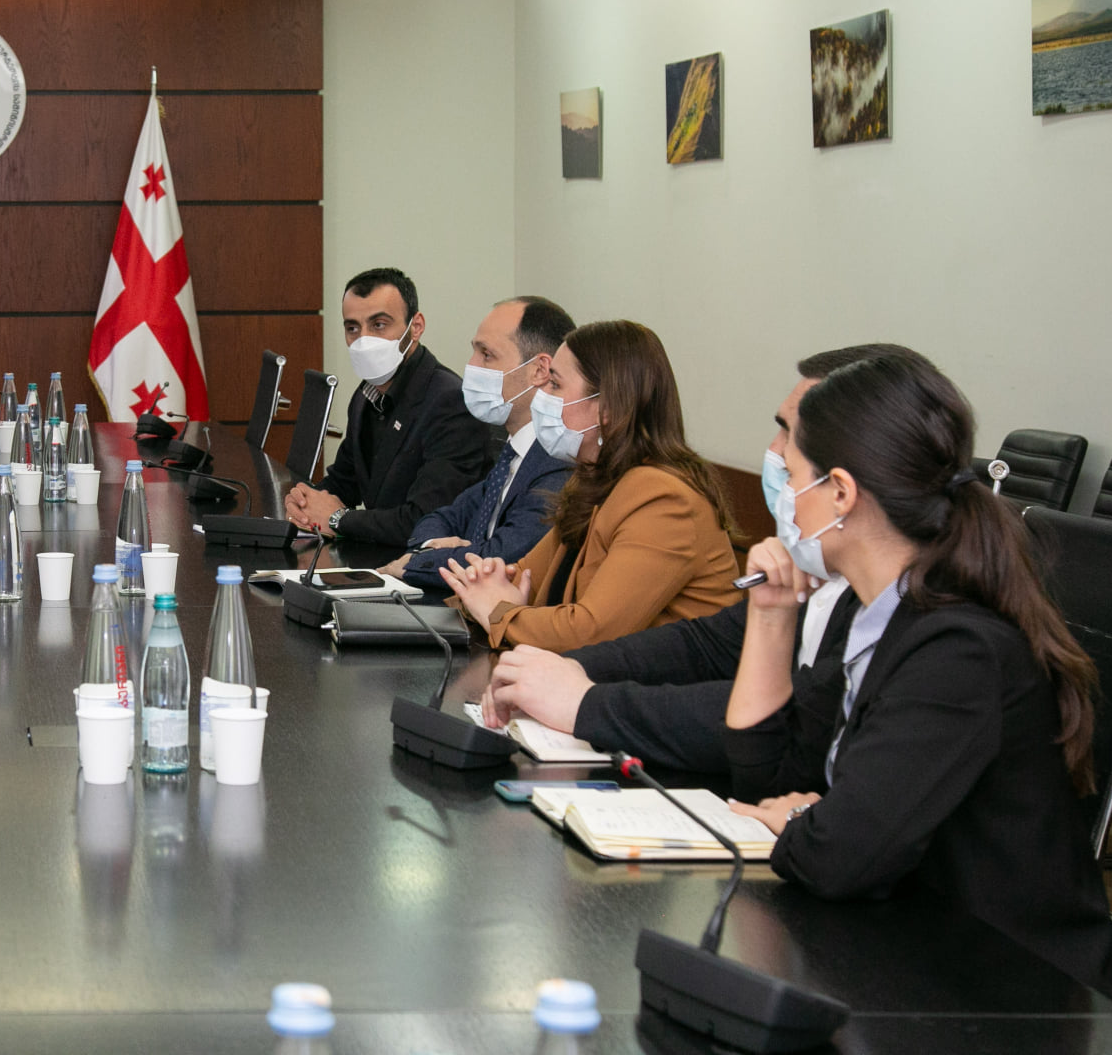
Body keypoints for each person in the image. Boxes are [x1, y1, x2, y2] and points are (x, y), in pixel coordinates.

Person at [722, 354, 1112, 1007]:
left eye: (793, 474)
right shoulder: (875, 616)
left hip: (1019, 1000)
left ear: (840, 493)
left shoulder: (957, 651)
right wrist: (771, 617)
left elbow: (839, 856)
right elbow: (767, 784)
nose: (783, 493)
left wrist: (804, 818)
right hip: (915, 951)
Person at [477, 344, 917, 771]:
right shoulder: (818, 571)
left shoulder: (903, 608)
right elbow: (706, 644)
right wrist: (565, 670)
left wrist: (582, 700)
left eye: (793, 434)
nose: (777, 451)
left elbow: (794, 720)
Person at [442, 319, 739, 654]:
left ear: (607, 408)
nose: (542, 395)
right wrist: (481, 592)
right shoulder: (595, 479)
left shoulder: (664, 498)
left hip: (661, 685)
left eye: (555, 384)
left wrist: (498, 612)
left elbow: (590, 632)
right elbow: (521, 577)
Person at [283, 268, 493, 546]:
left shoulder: (451, 403)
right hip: (378, 555)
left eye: (379, 325)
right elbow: (345, 481)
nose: (364, 340)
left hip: (424, 564)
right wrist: (304, 501)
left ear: (415, 327)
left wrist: (337, 519)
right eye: (352, 328)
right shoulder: (365, 395)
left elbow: (426, 521)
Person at [380, 296, 575, 589]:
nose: (471, 366)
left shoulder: (558, 461)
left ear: (539, 370)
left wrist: (416, 563)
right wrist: (432, 546)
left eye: (486, 355)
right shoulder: (513, 453)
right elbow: (442, 517)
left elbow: (501, 559)